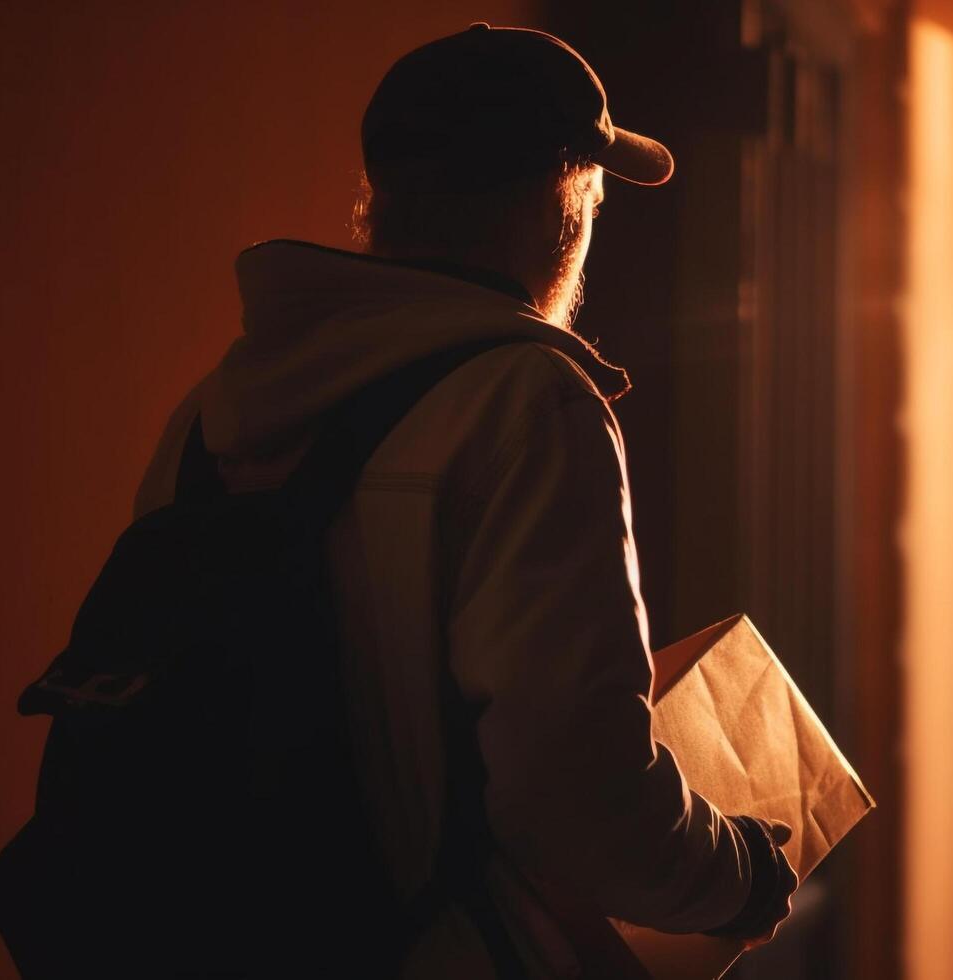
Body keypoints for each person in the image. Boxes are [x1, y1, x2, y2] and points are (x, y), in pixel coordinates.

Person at [132, 23, 797, 977]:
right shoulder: (529, 401)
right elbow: (581, 801)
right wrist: (739, 874)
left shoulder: (212, 409)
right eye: (595, 198)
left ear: (382, 204)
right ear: (557, 203)